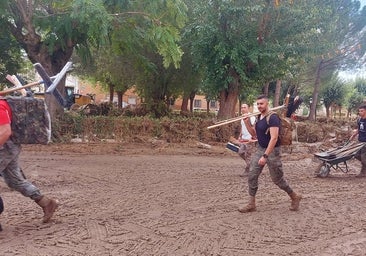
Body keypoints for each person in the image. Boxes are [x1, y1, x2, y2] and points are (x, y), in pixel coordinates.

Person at [238, 94, 302, 213]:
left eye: (261, 104)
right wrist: (246, 122)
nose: (259, 106)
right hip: (261, 148)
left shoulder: (273, 118)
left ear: (267, 104)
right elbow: (254, 134)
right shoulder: (258, 117)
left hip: (272, 151)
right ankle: (251, 204)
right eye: (257, 104)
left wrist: (265, 156)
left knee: (277, 179)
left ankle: (294, 196)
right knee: (252, 174)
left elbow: (274, 138)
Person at [0, 98, 58, 224]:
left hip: (5, 146)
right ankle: (46, 203)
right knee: (14, 181)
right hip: (10, 145)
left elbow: (5, 131)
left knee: (14, 181)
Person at [237, 104, 256, 177]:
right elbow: (242, 127)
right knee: (240, 152)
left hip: (249, 139)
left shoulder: (252, 117)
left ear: (248, 108)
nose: (243, 109)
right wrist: (240, 135)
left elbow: (253, 127)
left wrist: (252, 137)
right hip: (243, 138)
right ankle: (253, 165)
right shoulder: (242, 117)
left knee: (248, 155)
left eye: (244, 107)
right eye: (241, 107)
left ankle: (248, 171)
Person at [350, 104, 366, 177]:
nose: (360, 112)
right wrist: (353, 135)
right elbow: (359, 129)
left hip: (365, 142)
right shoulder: (359, 119)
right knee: (356, 155)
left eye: (362, 111)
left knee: (364, 158)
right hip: (360, 141)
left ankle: (363, 173)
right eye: (359, 111)